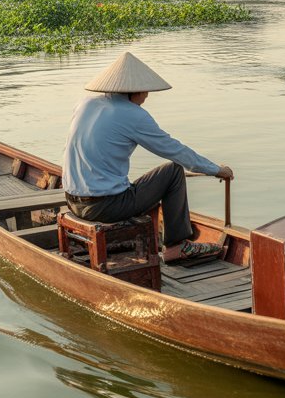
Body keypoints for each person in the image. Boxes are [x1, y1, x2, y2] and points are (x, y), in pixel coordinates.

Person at [62, 52, 233, 261]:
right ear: (133, 91)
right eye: (145, 91)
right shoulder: (133, 115)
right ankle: (176, 247)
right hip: (104, 207)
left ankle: (154, 238)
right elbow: (175, 151)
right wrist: (216, 169)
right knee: (173, 171)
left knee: (143, 182)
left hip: (72, 200)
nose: (147, 96)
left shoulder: (85, 104)